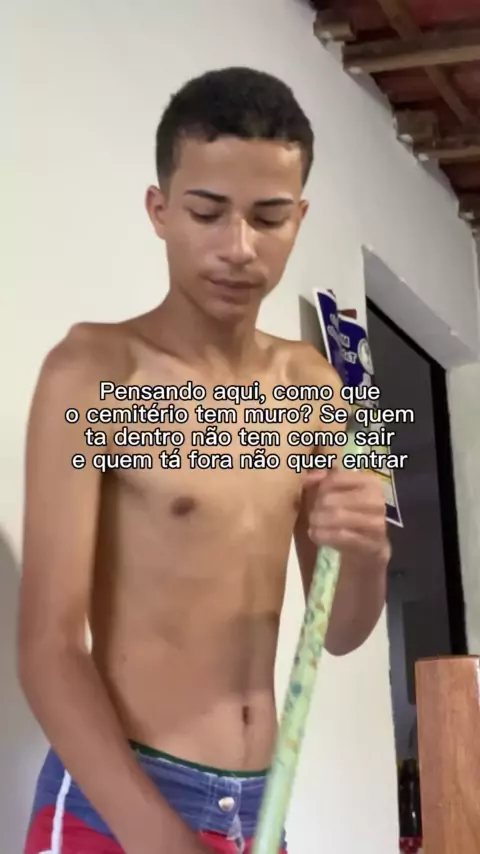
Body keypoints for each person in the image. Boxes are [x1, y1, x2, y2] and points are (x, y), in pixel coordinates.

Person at [19, 66, 391, 854]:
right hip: (121, 809)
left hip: (259, 810)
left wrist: (365, 553)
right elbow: (48, 651)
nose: (238, 248)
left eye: (269, 217)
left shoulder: (313, 387)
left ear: (299, 218)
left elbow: (341, 632)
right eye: (207, 212)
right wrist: (159, 838)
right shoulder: (94, 372)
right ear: (160, 210)